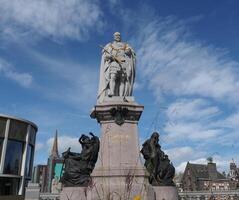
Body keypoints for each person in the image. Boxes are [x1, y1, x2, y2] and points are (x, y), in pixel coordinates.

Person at [97, 32, 136, 103]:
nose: (117, 36)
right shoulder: (110, 45)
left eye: (119, 35)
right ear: (114, 37)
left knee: (122, 80)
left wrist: (129, 51)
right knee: (113, 77)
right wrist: (110, 57)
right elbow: (105, 56)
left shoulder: (125, 45)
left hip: (123, 63)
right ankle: (111, 92)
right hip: (114, 62)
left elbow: (131, 53)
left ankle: (121, 96)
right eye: (116, 35)